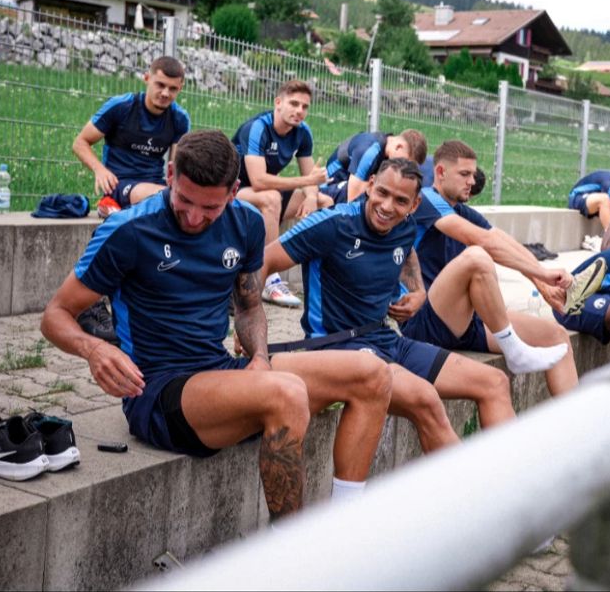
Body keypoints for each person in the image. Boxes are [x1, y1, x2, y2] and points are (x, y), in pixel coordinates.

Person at [41, 130, 394, 516]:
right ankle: (296, 554)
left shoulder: (247, 223)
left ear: (234, 191)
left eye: (210, 208)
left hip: (221, 371)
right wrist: (94, 349)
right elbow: (55, 315)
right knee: (286, 393)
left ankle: (347, 521)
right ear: (171, 174)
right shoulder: (128, 230)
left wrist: (259, 355)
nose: (193, 217)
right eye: (184, 201)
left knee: (371, 372)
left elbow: (248, 305)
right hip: (158, 392)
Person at [263, 158, 517, 454]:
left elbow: (406, 250)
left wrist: (419, 290)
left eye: (400, 200)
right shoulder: (333, 222)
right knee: (425, 398)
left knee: (494, 382)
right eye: (382, 193)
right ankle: (472, 495)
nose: (387, 206)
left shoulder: (404, 225)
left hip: (387, 339)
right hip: (338, 348)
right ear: (370, 185)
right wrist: (251, 330)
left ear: (413, 205)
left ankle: (510, 488)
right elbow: (263, 261)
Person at [400, 140, 603, 396]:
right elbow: (485, 242)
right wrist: (543, 274)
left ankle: (576, 430)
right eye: (464, 174)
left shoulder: (462, 210)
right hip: (425, 321)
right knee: (476, 257)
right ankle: (514, 350)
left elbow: (503, 240)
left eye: (473, 174)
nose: (472, 181)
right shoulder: (426, 201)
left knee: (556, 336)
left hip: (462, 321)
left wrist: (542, 285)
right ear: (440, 173)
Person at [230, 80, 331, 307]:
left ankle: (324, 279)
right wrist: (308, 182)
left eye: (305, 106)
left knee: (326, 201)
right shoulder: (258, 127)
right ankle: (269, 278)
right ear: (278, 103)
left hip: (263, 194)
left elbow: (310, 177)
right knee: (272, 197)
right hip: (234, 193)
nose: (299, 111)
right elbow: (258, 180)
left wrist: (312, 197)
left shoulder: (303, 133)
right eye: (294, 103)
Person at [73, 56, 190, 218]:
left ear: (180, 88)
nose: (165, 93)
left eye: (172, 89)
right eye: (160, 85)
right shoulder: (121, 106)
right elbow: (80, 143)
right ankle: (112, 204)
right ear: (147, 78)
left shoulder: (180, 119)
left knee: (183, 198)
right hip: (120, 183)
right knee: (168, 198)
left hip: (156, 184)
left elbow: (175, 166)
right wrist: (99, 170)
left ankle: (119, 211)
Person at [320, 130, 427, 203]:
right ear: (399, 147)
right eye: (405, 161)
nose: (404, 167)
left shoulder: (384, 148)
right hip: (328, 190)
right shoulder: (371, 150)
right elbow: (353, 201)